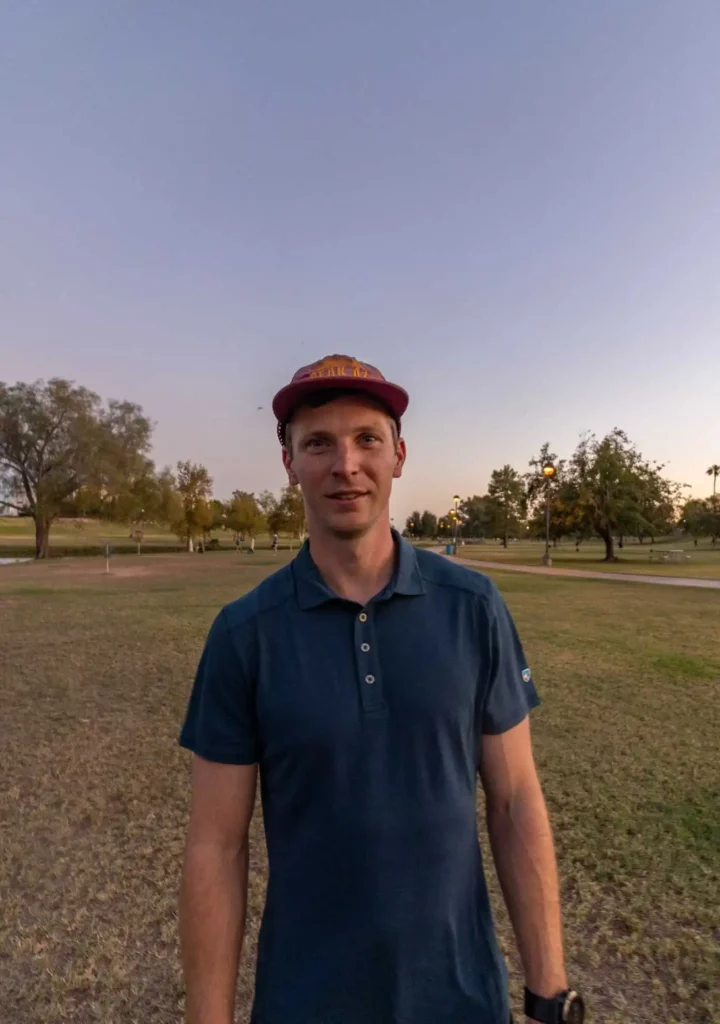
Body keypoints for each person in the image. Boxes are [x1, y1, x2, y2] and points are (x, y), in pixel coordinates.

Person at [178, 354, 584, 1024]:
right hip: (304, 1002)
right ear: (289, 465)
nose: (346, 464)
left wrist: (548, 993)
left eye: (367, 438)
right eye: (318, 443)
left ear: (398, 455)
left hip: (463, 999)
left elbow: (513, 803)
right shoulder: (243, 635)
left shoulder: (473, 607)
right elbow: (216, 847)